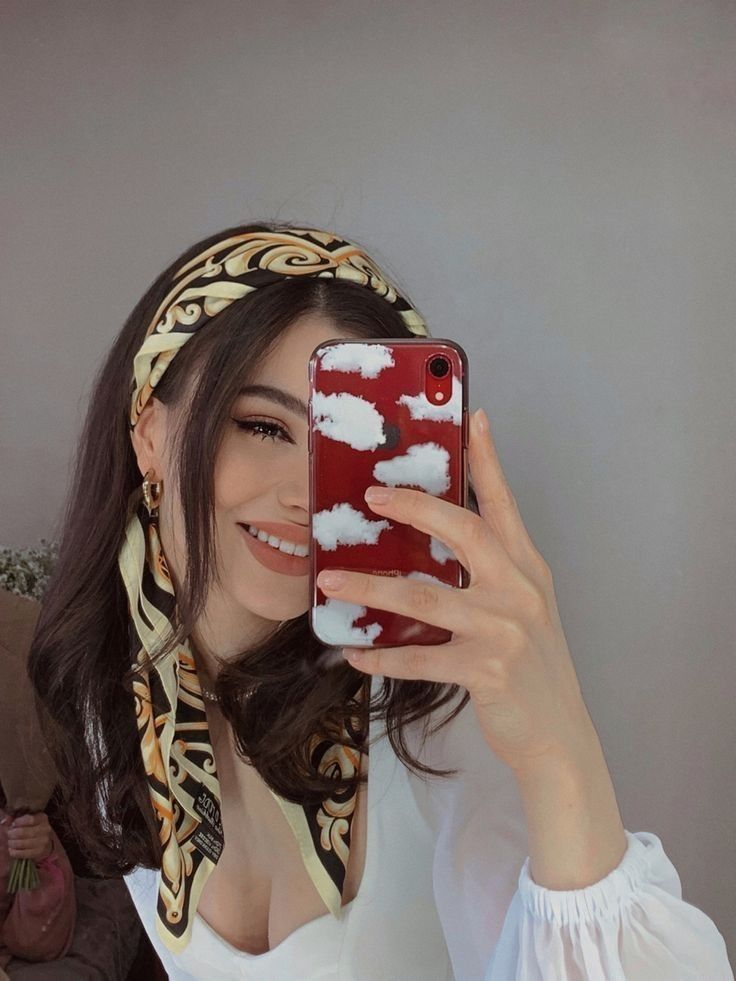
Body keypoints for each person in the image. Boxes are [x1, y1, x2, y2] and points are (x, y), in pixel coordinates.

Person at [28, 224, 732, 979]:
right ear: (149, 434)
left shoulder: (425, 705)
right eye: (262, 426)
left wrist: (558, 750)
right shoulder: (119, 695)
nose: (305, 494)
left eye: (348, 448)